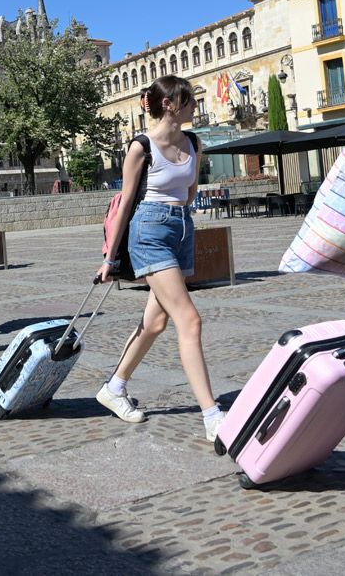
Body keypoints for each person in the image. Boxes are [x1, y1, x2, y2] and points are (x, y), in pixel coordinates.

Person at [95, 75, 224, 444]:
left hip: (181, 229)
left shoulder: (195, 143)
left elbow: (190, 192)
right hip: (149, 230)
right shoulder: (141, 147)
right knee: (190, 320)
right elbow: (125, 205)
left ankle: (114, 387)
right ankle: (212, 415)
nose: (195, 105)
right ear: (169, 104)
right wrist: (110, 258)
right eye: (189, 100)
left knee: (155, 324)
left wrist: (182, 223)